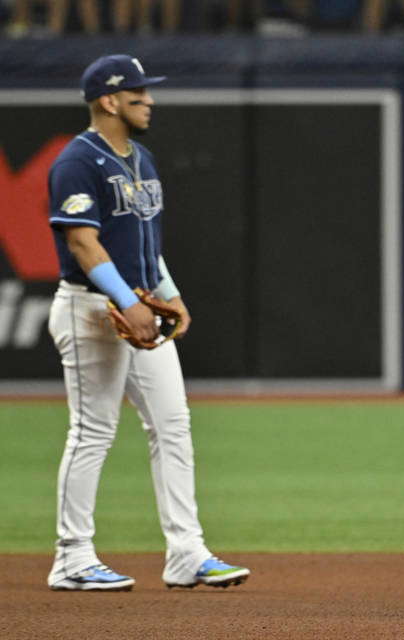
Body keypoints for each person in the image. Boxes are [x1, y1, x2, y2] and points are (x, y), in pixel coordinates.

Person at [45, 54, 250, 591]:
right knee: (92, 432)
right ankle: (72, 557)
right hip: (89, 308)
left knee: (174, 426)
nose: (151, 101)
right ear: (109, 101)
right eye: (139, 94)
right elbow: (82, 241)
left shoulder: (142, 158)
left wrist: (169, 295)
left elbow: (146, 242)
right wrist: (127, 301)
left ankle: (186, 553)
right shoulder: (77, 161)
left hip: (139, 305)